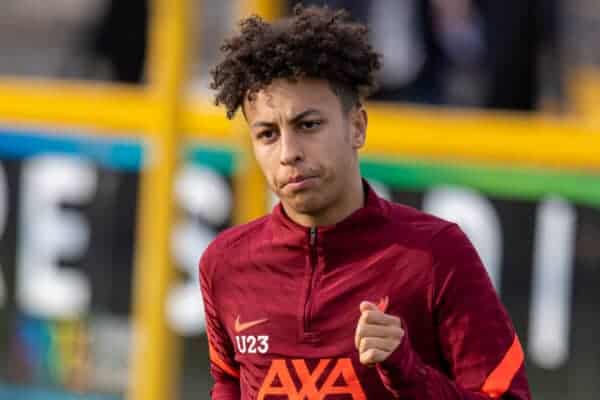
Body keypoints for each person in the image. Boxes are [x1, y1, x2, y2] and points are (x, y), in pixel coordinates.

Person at [200, 5, 531, 399]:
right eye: (268, 134)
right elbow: (228, 383)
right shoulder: (224, 264)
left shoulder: (437, 254)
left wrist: (408, 373)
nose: (289, 152)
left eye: (308, 125)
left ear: (357, 126)